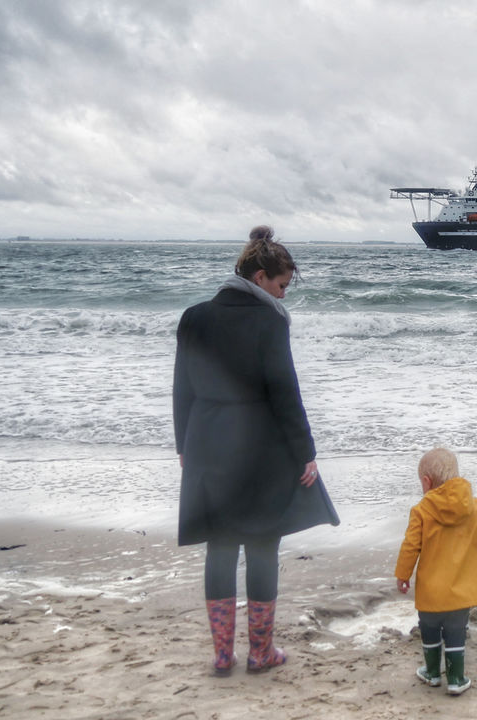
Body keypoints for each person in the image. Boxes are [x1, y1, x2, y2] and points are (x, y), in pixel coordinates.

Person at [173, 225, 339, 676]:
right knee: (263, 545)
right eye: (282, 286)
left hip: (206, 439)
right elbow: (285, 393)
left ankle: (223, 655)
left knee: (221, 546)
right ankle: (261, 652)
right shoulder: (269, 321)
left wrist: (182, 444)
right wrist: (305, 451)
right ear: (262, 277)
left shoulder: (194, 317)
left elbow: (182, 387)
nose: (283, 296)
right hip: (259, 443)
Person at [396, 448, 477, 695]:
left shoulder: (421, 510)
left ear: (427, 481)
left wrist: (403, 574)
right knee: (455, 634)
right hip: (460, 592)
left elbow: (411, 546)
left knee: (428, 630)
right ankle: (456, 679)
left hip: (431, 593)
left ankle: (431, 673)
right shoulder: (473, 507)